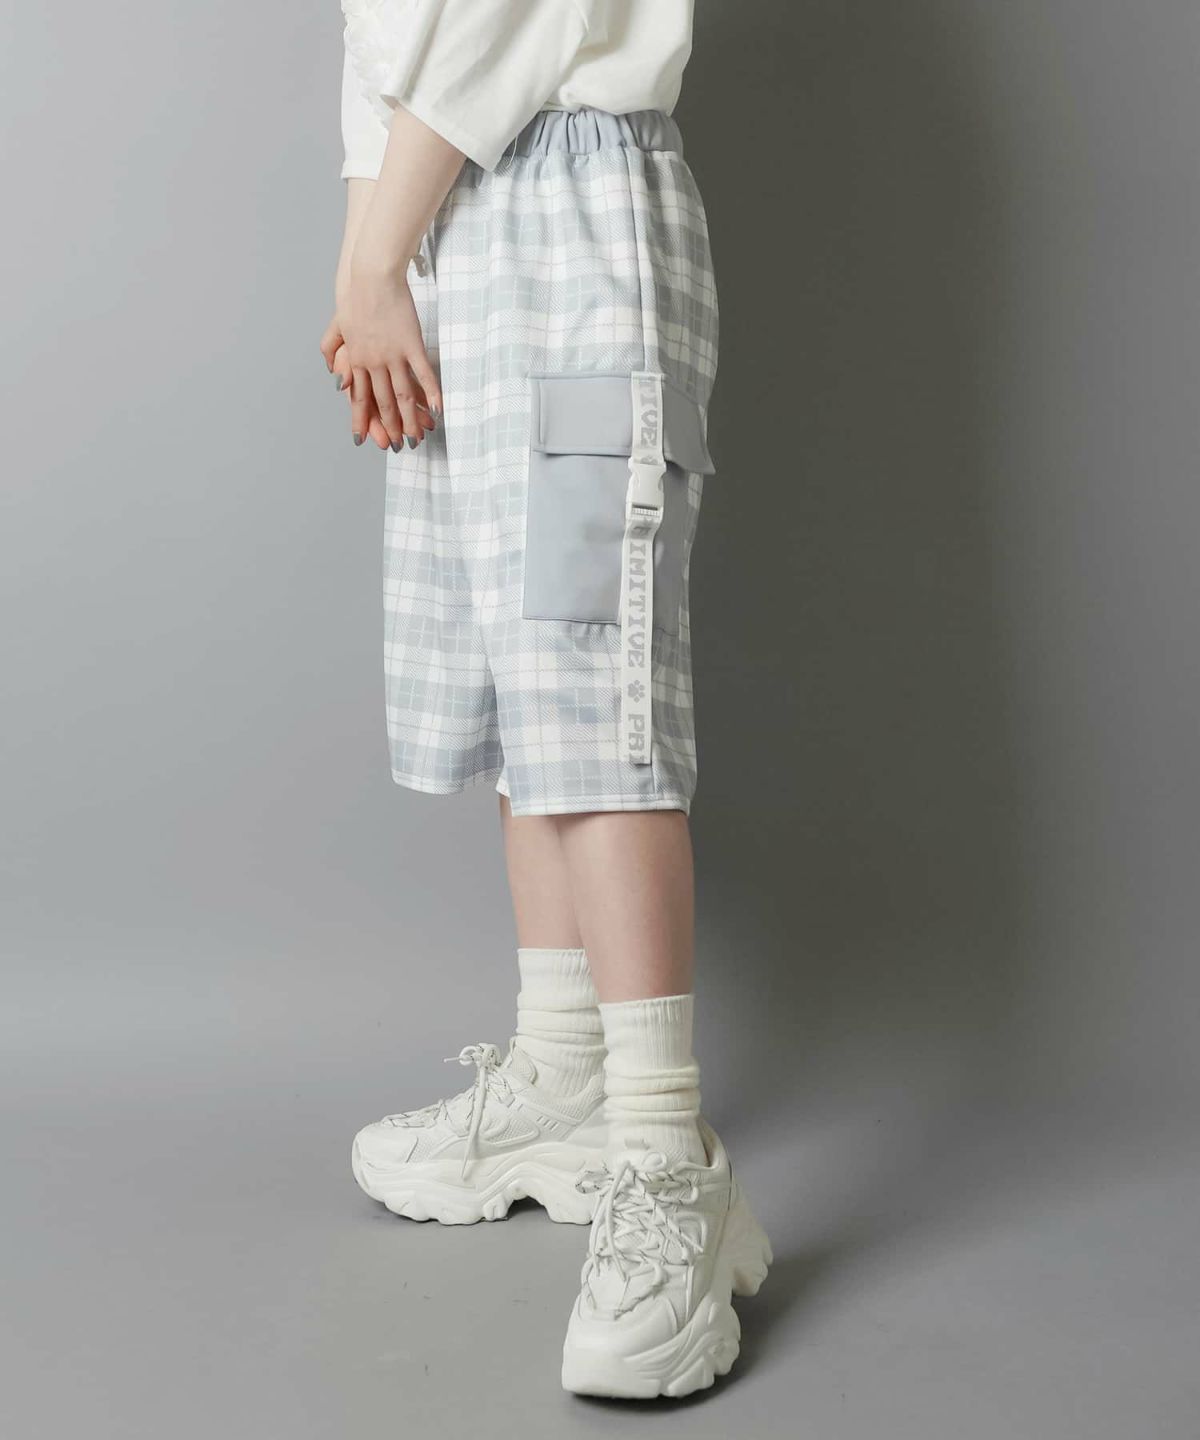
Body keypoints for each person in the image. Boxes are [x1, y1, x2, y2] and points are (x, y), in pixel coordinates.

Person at [321, 0, 771, 1399]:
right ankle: (566, 1069)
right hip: (439, 218)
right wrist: (368, 263)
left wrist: (377, 252)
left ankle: (666, 1160)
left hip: (570, 213)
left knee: (590, 685)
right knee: (521, 685)